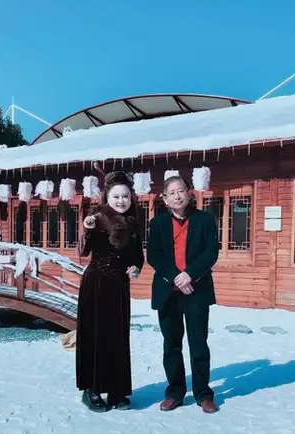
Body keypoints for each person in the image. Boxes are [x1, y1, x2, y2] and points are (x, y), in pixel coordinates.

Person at [146, 175, 220, 414]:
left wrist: (190, 275)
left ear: (189, 193)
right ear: (165, 199)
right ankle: (175, 392)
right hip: (168, 291)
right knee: (172, 344)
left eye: (181, 191)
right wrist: (175, 277)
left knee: (198, 344)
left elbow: (211, 252)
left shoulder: (205, 219)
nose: (177, 196)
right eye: (172, 193)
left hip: (196, 290)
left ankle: (203, 394)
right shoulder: (157, 224)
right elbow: (154, 255)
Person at [76, 170, 144, 412]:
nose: (121, 201)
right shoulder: (97, 217)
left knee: (117, 338)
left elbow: (137, 256)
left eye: (125, 196)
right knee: (94, 337)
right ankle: (91, 390)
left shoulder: (134, 222)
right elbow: (83, 251)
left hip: (119, 287)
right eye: (116, 196)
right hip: (95, 284)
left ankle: (116, 390)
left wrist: (136, 268)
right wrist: (87, 228)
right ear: (107, 197)